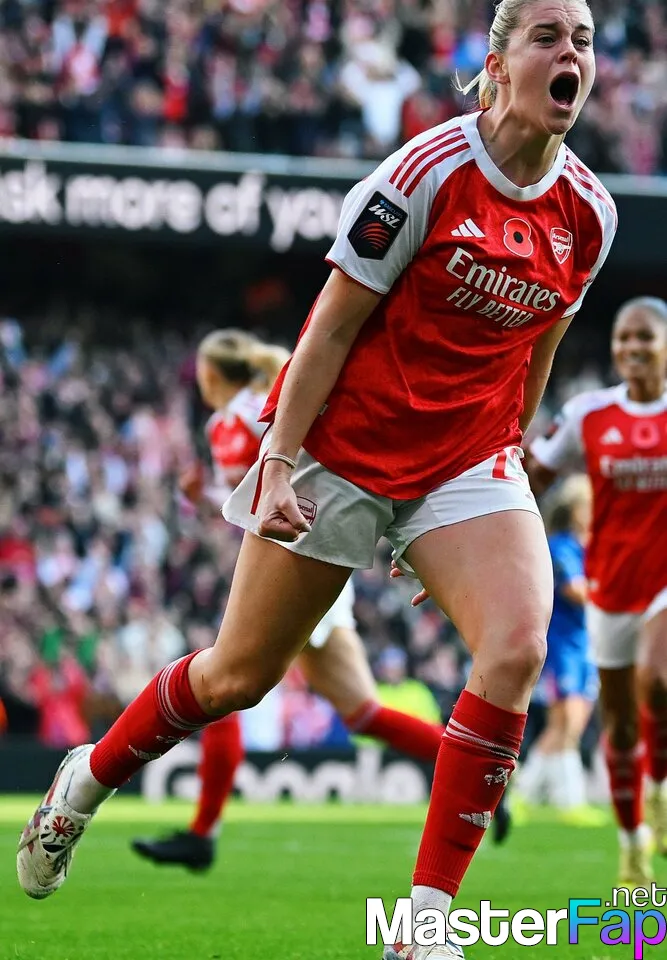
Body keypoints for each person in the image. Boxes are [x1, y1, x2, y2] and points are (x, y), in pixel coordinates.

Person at [18, 2, 615, 957]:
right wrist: (276, 462)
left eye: (581, 39)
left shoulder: (589, 212)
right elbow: (328, 331)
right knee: (237, 676)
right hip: (345, 449)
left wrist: (506, 479)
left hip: (467, 457)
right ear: (498, 62)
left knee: (515, 648)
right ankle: (83, 783)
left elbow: (537, 352)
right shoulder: (421, 175)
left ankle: (423, 926)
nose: (570, 53)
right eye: (547, 36)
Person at [131, 329, 446, 871]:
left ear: (209, 375)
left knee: (222, 686)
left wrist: (206, 497)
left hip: (296, 563)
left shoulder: (240, 417)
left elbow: (269, 485)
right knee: (361, 713)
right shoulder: (250, 410)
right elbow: (255, 490)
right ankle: (475, 771)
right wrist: (206, 497)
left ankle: (203, 833)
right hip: (307, 557)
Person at [527, 296, 667, 889]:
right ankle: (633, 845)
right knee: (620, 726)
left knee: (657, 682)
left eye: (645, 336)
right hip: (610, 585)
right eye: (623, 337)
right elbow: (535, 474)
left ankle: (659, 788)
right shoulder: (589, 414)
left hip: (663, 584)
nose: (632, 347)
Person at [516, 474, 601, 818]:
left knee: (570, 725)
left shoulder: (591, 547)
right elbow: (575, 591)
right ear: (574, 510)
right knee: (564, 721)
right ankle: (570, 800)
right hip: (562, 645)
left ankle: (523, 794)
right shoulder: (561, 547)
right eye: (587, 507)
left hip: (586, 644)